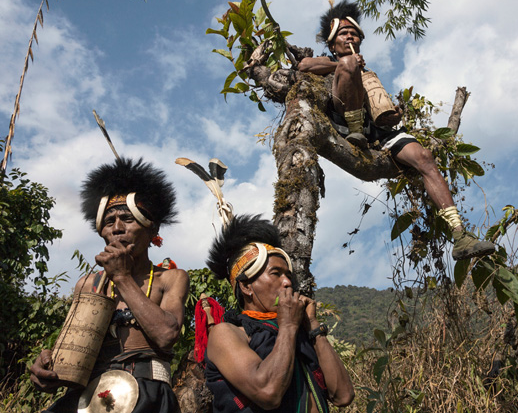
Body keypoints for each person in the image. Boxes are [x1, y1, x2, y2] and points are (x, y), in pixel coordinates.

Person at [297, 0, 495, 260]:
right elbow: (303, 66)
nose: (349, 36)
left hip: (379, 133)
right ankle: (356, 133)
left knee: (424, 157)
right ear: (332, 43)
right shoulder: (330, 62)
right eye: (343, 34)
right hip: (347, 126)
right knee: (348, 67)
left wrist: (393, 114)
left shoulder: (369, 72)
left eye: (354, 33)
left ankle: (459, 235)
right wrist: (346, 64)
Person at [29, 158, 189, 413]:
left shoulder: (170, 278)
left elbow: (166, 336)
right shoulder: (88, 284)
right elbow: (69, 353)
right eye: (108, 221)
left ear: (153, 229)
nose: (116, 228)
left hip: (148, 398)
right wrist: (47, 368)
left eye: (127, 219)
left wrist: (122, 278)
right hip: (89, 398)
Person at [203, 214, 355, 412]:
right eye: (276, 274)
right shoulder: (227, 334)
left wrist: (313, 326)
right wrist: (289, 326)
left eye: (288, 275)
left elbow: (343, 396)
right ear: (247, 286)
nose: (287, 282)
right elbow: (268, 392)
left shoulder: (299, 334)